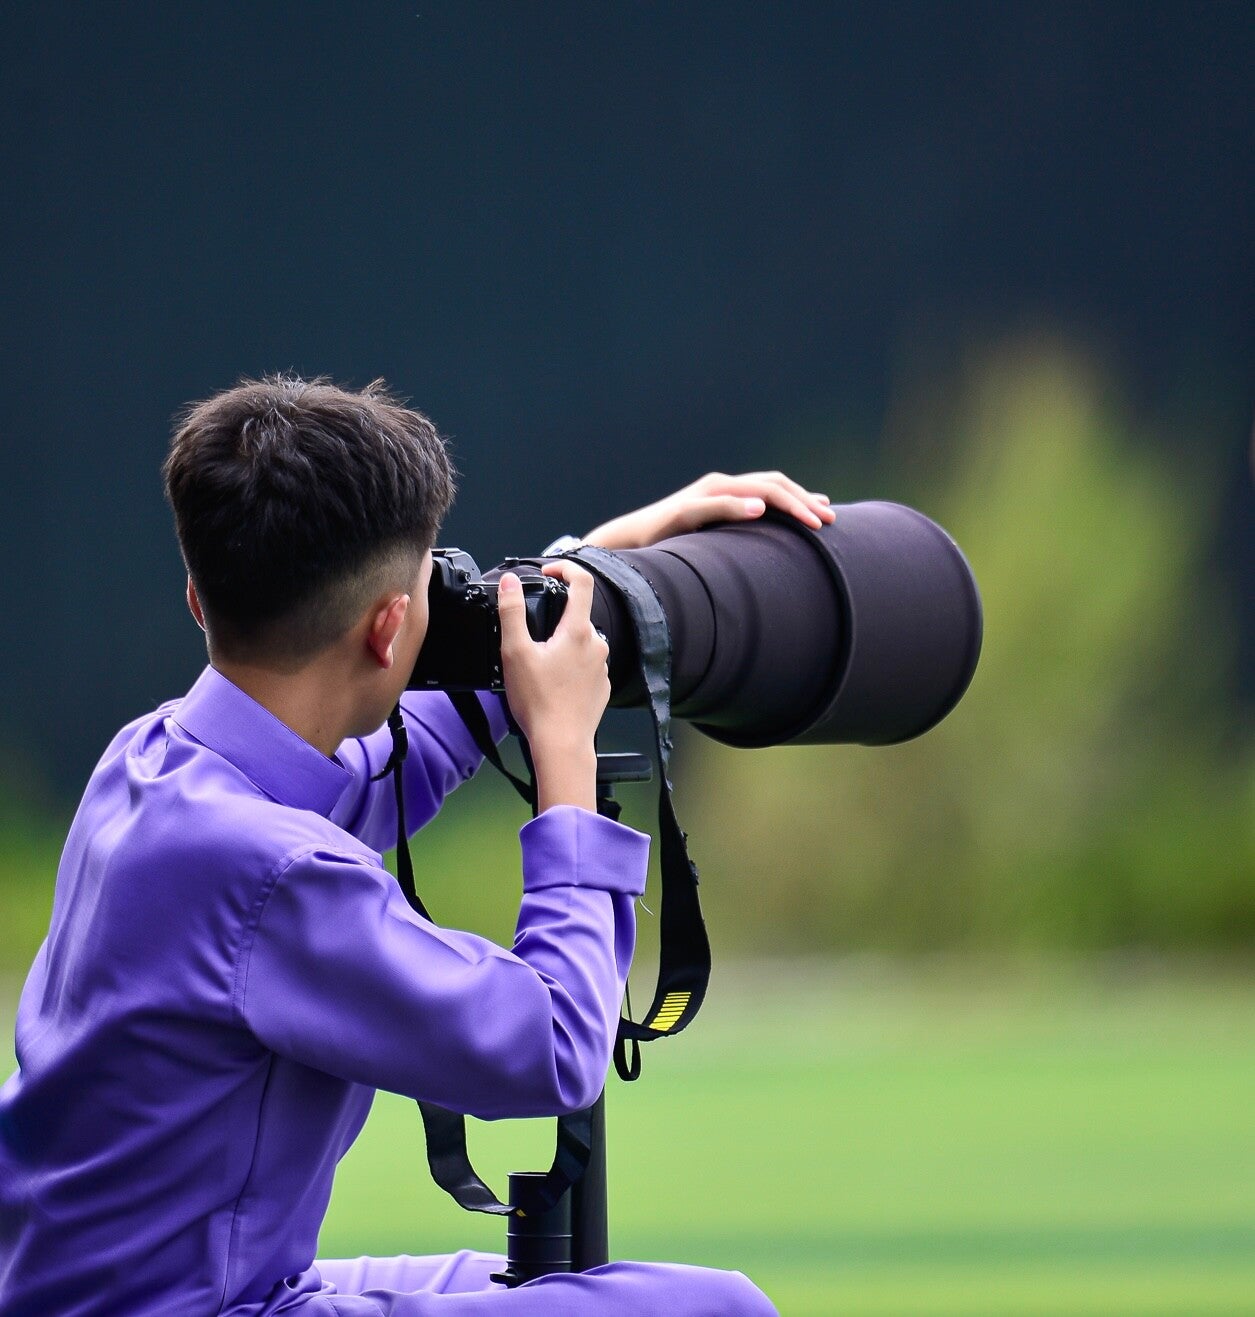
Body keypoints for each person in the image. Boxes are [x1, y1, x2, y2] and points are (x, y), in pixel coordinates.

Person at [0, 376, 834, 1315]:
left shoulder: (151, 764)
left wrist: (589, 573)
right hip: (206, 1306)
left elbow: (393, 760)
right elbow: (555, 1047)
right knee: (716, 1308)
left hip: (131, 1289)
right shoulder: (271, 872)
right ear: (391, 625)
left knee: (557, 1284)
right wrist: (564, 755)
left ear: (199, 597)